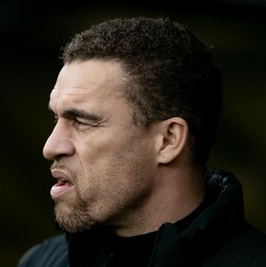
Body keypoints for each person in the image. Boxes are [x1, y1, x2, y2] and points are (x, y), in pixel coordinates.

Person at [18, 17, 266, 267]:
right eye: (56, 118)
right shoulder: (40, 261)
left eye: (82, 121)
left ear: (168, 140)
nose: (50, 147)